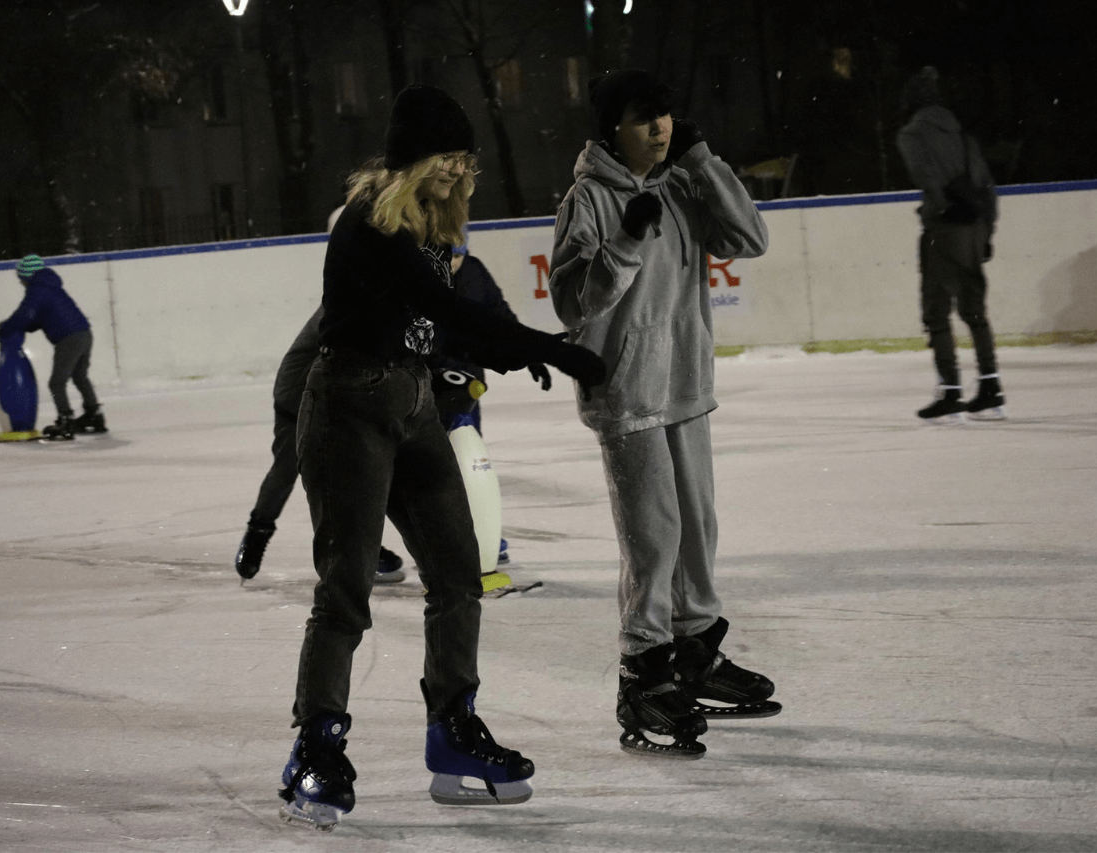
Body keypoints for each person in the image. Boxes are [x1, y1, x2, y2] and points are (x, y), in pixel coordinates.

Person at [278, 84, 605, 830]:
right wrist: (538, 346)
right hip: (346, 410)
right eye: (447, 158)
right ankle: (315, 745)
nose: (461, 173)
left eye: (467, 160)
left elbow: (444, 323)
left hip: (411, 403)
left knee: (459, 573)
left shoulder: (430, 226)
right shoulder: (370, 224)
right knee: (347, 588)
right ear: (410, 161)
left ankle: (452, 728)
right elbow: (445, 310)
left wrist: (514, 350)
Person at [548, 69, 779, 760]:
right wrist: (624, 241)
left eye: (667, 115)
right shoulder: (586, 200)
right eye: (645, 117)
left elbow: (750, 238)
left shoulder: (681, 182)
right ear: (612, 126)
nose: (661, 128)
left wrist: (704, 164)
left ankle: (695, 651)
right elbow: (573, 303)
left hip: (683, 384)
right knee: (655, 539)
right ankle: (644, 668)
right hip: (626, 394)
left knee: (698, 529)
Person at [232, 307, 405, 584]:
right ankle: (257, 534)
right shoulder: (346, 299)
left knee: (353, 474)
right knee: (287, 469)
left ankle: (360, 552)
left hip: (338, 394)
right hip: (299, 394)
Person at [432, 240, 554, 572]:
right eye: (450, 255)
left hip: (467, 383)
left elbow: (499, 312)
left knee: (470, 463)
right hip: (431, 382)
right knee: (438, 468)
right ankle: (449, 541)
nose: (456, 262)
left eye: (460, 255)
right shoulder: (424, 271)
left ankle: (482, 537)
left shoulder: (474, 270)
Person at [896, 66, 1005, 423]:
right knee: (974, 310)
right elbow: (987, 186)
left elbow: (926, 177)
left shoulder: (912, 134)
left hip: (944, 228)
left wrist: (943, 207)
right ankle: (990, 389)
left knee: (936, 310)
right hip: (974, 227)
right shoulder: (963, 136)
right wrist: (986, 230)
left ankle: (951, 392)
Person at [0, 254, 106, 440]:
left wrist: (3, 329)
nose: (20, 282)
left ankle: (65, 420)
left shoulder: (37, 289)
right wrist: (13, 326)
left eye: (21, 278)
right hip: (84, 333)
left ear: (27, 276)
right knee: (80, 376)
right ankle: (95, 416)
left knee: (56, 382)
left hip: (69, 338)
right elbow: (36, 319)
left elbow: (24, 315)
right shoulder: (50, 285)